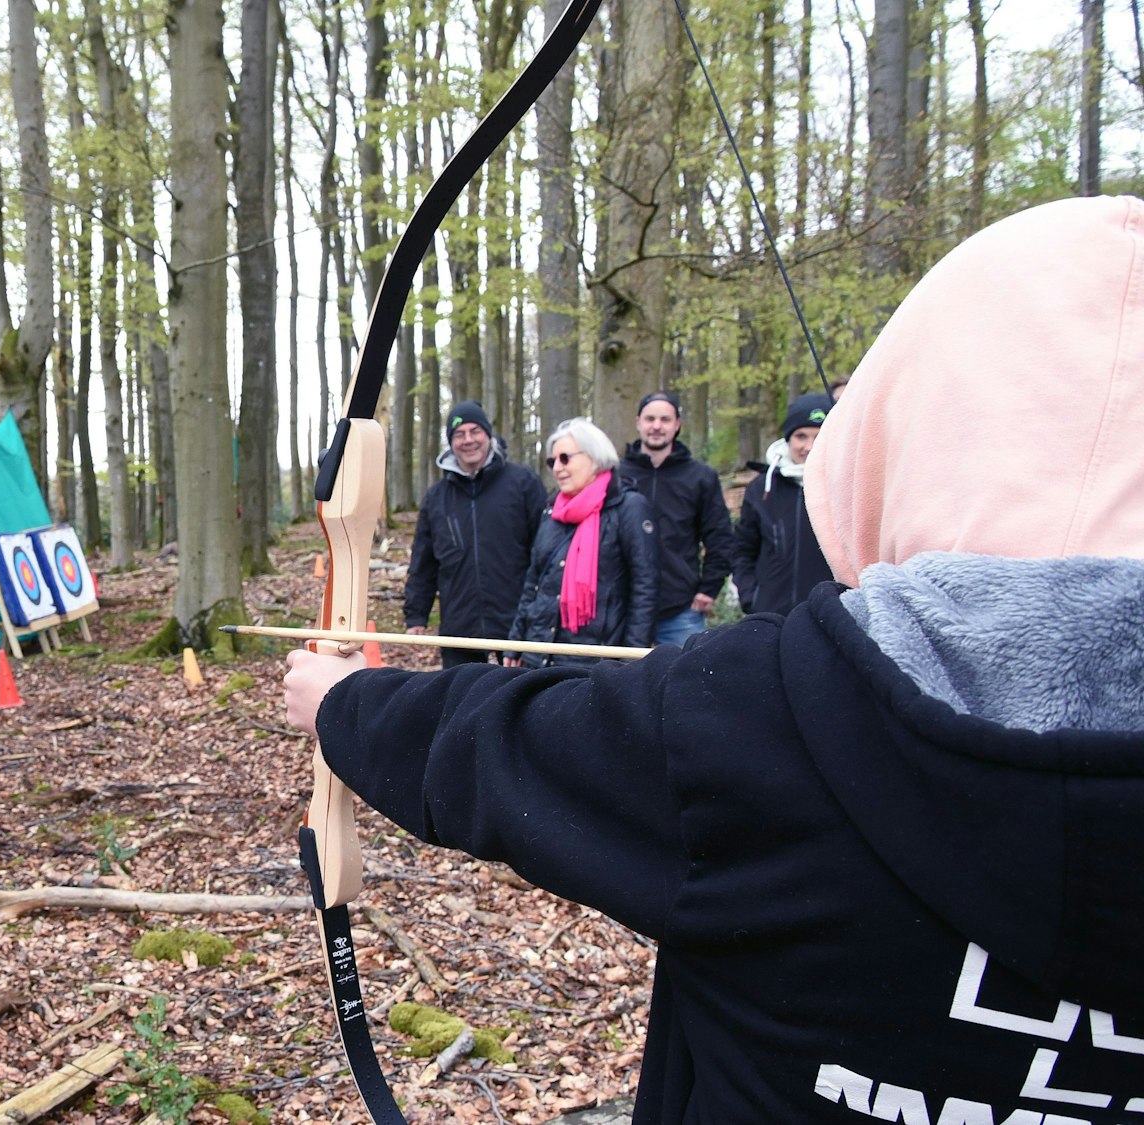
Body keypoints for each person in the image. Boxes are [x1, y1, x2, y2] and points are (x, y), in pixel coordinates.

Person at [282, 195, 1144, 1121]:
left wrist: (345, 703)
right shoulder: (759, 705)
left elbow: (513, 750)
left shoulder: (767, 720)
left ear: (905, 433)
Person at [502, 417, 656, 667]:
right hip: (539, 654)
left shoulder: (629, 508)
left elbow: (644, 588)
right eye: (552, 461)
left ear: (594, 457)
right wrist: (516, 642)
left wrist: (631, 661)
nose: (557, 468)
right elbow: (534, 583)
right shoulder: (552, 511)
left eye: (565, 458)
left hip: (595, 660)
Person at [402, 401, 546, 667]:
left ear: (488, 434)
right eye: (459, 434)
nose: (468, 440)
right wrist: (416, 615)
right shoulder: (436, 498)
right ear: (451, 442)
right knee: (460, 692)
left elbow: (544, 551)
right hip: (459, 624)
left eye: (475, 431)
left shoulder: (523, 483)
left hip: (516, 623)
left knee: (522, 691)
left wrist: (539, 614)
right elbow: (423, 562)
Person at [618, 392, 735, 647]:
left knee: (686, 672)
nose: (656, 426)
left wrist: (710, 587)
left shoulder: (700, 477)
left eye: (665, 419)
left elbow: (720, 536)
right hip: (622, 606)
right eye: (650, 419)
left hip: (680, 610)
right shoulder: (617, 475)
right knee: (617, 673)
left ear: (677, 424)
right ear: (638, 422)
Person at [732, 392, 835, 616]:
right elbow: (743, 549)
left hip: (830, 617)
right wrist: (752, 598)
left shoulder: (846, 488)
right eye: (801, 436)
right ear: (788, 439)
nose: (809, 446)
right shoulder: (762, 489)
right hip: (772, 616)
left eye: (819, 437)